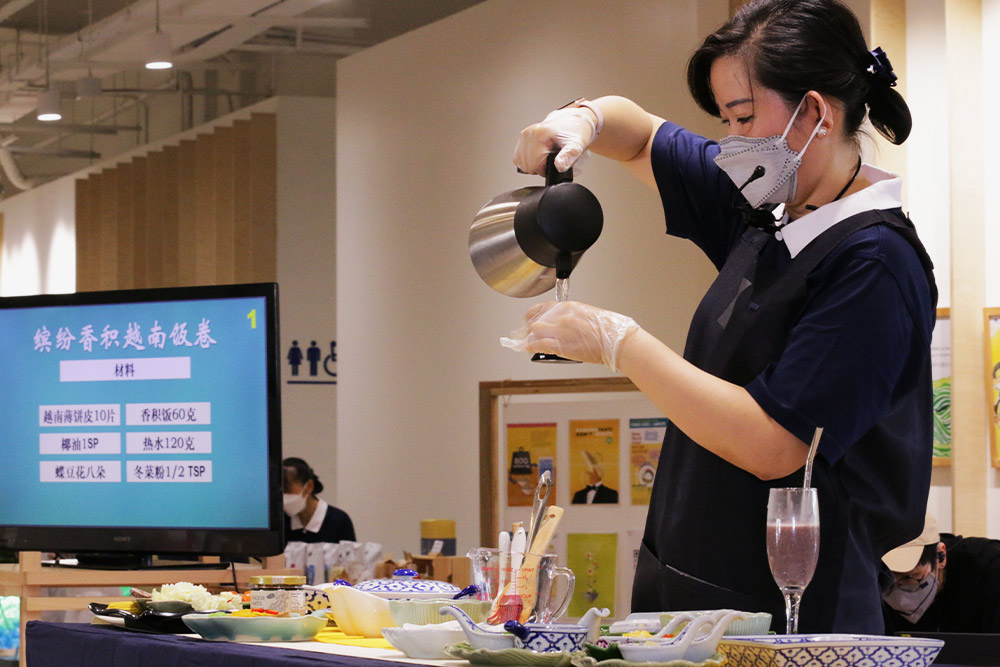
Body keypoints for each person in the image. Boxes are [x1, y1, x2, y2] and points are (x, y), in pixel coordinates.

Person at [505, 0, 936, 634]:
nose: (731, 141)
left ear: (815, 113)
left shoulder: (874, 262)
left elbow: (775, 444)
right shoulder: (771, 210)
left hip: (793, 611)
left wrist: (620, 343)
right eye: (725, 120)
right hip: (691, 582)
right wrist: (580, 120)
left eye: (744, 116)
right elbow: (640, 135)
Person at [883, 513, 1000, 633]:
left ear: (940, 556)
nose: (897, 592)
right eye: (885, 579)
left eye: (909, 577)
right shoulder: (873, 580)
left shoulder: (989, 569)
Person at [282, 457, 356, 545]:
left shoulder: (339, 520)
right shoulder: (282, 520)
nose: (283, 495)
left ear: (309, 486)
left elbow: (349, 553)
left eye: (287, 489)